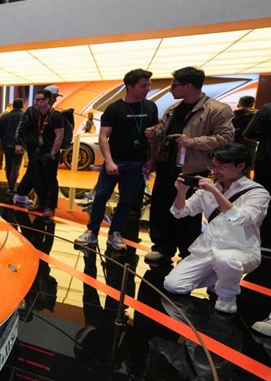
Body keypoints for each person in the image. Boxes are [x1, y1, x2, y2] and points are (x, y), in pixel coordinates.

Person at [163, 144, 270, 313]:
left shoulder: (257, 193)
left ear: (241, 166)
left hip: (240, 251)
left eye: (221, 167)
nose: (215, 171)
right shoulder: (209, 188)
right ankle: (220, 278)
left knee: (226, 261)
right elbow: (179, 212)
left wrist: (215, 192)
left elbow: (239, 218)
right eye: (213, 166)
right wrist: (182, 192)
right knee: (173, 285)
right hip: (208, 249)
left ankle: (227, 295)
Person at [144, 67, 235, 263]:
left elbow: (227, 137)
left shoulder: (216, 110)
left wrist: (192, 142)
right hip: (167, 165)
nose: (170, 89)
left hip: (193, 168)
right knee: (161, 208)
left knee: (189, 212)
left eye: (174, 85)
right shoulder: (174, 109)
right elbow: (164, 131)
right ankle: (162, 247)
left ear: (188, 86)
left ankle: (188, 252)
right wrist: (155, 133)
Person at [75, 69, 158, 250]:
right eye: (143, 86)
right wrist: (109, 161)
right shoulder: (114, 109)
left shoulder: (151, 107)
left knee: (127, 200)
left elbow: (154, 136)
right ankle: (92, 231)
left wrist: (152, 160)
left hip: (138, 163)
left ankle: (115, 233)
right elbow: (103, 137)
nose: (148, 89)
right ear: (129, 87)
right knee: (101, 197)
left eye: (148, 85)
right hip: (115, 162)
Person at [14, 89, 66, 218]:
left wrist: (53, 152)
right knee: (39, 179)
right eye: (36, 99)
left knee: (50, 180)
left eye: (39, 100)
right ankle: (42, 203)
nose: (36, 102)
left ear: (47, 100)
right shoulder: (35, 113)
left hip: (49, 152)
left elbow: (59, 136)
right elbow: (24, 128)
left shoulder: (55, 115)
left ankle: (50, 207)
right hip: (38, 151)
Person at [244, 102, 271, 254]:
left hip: (267, 163)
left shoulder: (267, 109)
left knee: (263, 202)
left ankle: (262, 242)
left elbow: (249, 135)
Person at [0, 99, 24, 192]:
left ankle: (9, 182)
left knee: (8, 164)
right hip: (18, 144)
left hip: (6, 144)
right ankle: (11, 186)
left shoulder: (4, 117)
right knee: (16, 165)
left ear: (13, 106)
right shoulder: (24, 117)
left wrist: (0, 143)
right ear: (22, 106)